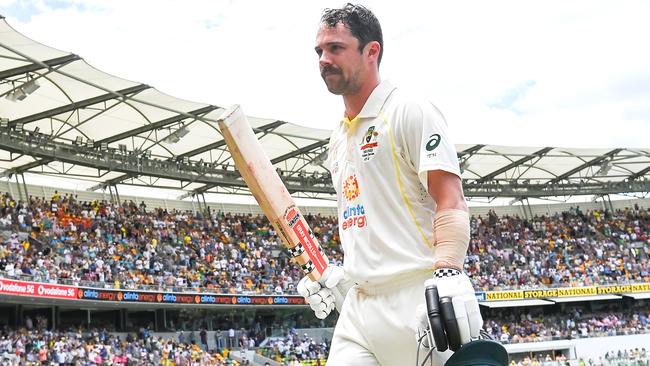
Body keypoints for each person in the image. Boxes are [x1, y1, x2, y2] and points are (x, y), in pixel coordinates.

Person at [297, 4, 482, 365]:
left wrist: (448, 271)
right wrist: (341, 277)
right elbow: (364, 218)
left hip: (419, 299)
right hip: (360, 308)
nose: (323, 59)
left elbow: (451, 199)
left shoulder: (408, 110)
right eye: (319, 50)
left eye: (335, 48)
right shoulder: (337, 137)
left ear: (371, 51)